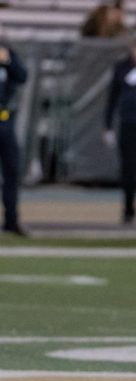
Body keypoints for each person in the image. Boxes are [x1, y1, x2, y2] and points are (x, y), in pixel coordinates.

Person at [104, 31, 136, 225]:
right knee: (129, 169)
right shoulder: (122, 68)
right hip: (129, 123)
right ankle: (129, 209)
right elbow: (112, 97)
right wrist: (107, 125)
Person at [0, 32, 28, 236]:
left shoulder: (8, 54)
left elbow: (22, 76)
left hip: (5, 120)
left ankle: (12, 219)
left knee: (12, 169)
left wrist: (7, 61)